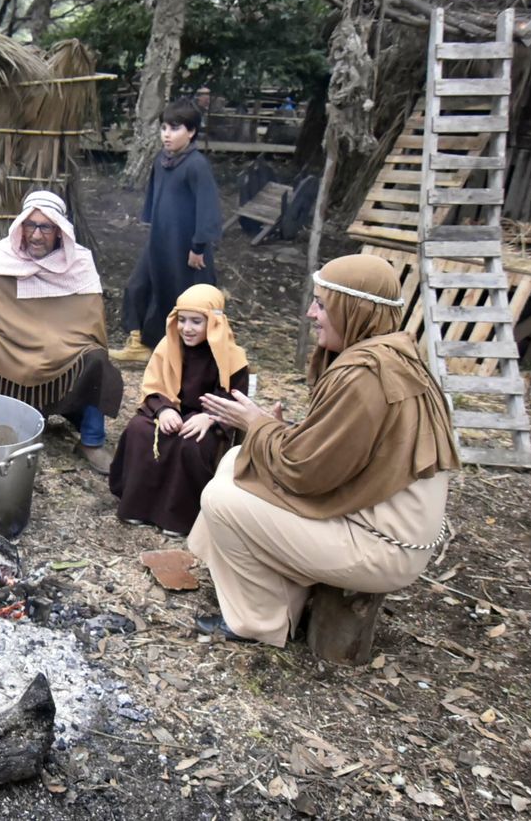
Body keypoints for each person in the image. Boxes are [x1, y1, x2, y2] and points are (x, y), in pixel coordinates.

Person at [187, 254, 461, 645]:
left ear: (355, 309)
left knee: (220, 499)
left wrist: (258, 425)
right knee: (235, 461)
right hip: (370, 522)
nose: (311, 313)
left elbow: (305, 472)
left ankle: (260, 623)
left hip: (379, 546)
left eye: (322, 304)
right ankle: (272, 592)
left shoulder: (366, 377)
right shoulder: (392, 355)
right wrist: (273, 430)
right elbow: (343, 456)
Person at [0, 191, 123, 474]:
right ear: (20, 227)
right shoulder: (2, 258)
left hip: (63, 343)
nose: (36, 235)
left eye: (46, 227)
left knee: (95, 357)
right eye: (30, 226)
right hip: (11, 341)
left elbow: (89, 325)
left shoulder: (80, 263)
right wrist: (25, 337)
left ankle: (91, 441)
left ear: (60, 232)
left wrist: (52, 341)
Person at [109, 284, 249, 536]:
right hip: (171, 409)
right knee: (139, 430)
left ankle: (176, 517)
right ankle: (137, 506)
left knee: (192, 442)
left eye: (196, 321)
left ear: (214, 323)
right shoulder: (169, 345)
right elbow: (154, 385)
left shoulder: (233, 357)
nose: (187, 328)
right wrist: (163, 410)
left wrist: (210, 417)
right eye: (182, 320)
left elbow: (234, 399)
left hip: (208, 419)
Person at [109, 99, 223, 364]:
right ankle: (139, 343)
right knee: (138, 285)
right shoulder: (162, 161)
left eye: (174, 128)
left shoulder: (196, 165)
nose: (167, 134)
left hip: (187, 246)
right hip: (161, 240)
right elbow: (154, 197)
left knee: (181, 296)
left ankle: (184, 352)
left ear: (191, 131)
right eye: (163, 128)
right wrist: (152, 226)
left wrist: (198, 247)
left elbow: (208, 208)